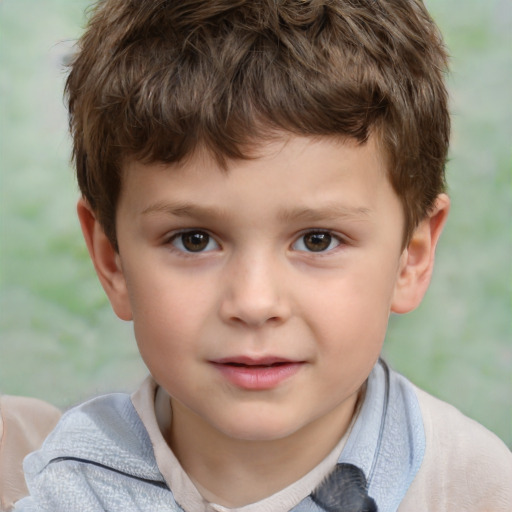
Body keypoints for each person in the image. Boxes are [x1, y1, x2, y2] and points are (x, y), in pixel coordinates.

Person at [13, 0, 512, 510]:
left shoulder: (473, 488)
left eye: (317, 239)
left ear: (411, 257)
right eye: (194, 240)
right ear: (111, 259)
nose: (254, 302)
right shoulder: (58, 485)